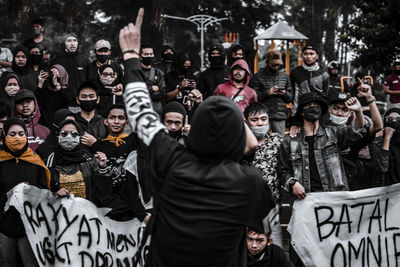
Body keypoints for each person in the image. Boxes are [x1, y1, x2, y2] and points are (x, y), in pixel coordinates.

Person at [119, 9, 274, 266]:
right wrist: (236, 116)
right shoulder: (250, 180)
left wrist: (131, 57)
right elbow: (266, 226)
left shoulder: (172, 158)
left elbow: (140, 114)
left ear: (195, 128)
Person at [0, 118, 50, 267]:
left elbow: (44, 191)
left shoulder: (35, 161)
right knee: (5, 263)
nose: (17, 138)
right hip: (3, 226)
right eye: (12, 134)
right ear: (4, 136)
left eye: (21, 133)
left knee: (31, 264)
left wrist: (30, 187)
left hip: (30, 227)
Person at [91, 104, 147, 221]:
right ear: (106, 121)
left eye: (121, 118)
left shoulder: (133, 142)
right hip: (108, 207)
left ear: (127, 122)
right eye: (112, 118)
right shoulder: (98, 145)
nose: (116, 121)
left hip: (132, 206)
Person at [323, 81, 383, 190]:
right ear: (329, 109)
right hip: (324, 182)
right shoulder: (319, 130)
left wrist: (369, 98)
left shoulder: (355, 133)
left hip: (349, 181)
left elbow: (378, 127)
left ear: (351, 113)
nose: (339, 113)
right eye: (336, 108)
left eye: (345, 109)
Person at [243, 102, 284, 248]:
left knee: (275, 246)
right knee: (248, 247)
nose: (259, 123)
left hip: (271, 206)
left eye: (263, 119)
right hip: (246, 205)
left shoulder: (278, 141)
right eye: (254, 120)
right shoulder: (239, 143)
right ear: (246, 121)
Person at [49, 119, 106, 200]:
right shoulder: (51, 159)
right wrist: (55, 195)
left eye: (74, 134)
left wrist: (103, 168)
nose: (69, 137)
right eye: (64, 134)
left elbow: (102, 190)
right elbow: (44, 191)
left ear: (80, 136)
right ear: (58, 136)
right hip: (60, 210)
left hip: (87, 209)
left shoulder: (88, 158)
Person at [249, 50, 292, 135]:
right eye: (274, 64)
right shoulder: (258, 76)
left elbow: (290, 98)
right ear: (267, 62)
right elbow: (254, 97)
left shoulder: (285, 76)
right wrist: (268, 92)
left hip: (280, 116)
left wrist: (284, 93)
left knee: (280, 143)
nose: (276, 66)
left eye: (278, 64)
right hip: (263, 116)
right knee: (263, 142)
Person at [289, 44, 329, 115]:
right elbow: (291, 91)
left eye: (311, 54)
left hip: (318, 109)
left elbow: (325, 93)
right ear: (302, 55)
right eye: (305, 54)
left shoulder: (323, 73)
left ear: (317, 56)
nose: (308, 56)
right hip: (300, 109)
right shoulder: (295, 72)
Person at [53, 34, 88, 111]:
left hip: (82, 102)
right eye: (69, 41)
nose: (72, 43)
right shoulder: (58, 60)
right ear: (64, 44)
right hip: (63, 103)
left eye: (74, 40)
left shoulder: (84, 60)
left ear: (78, 43)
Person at [165, 52, 203, 118]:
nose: (186, 69)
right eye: (184, 66)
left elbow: (199, 99)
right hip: (175, 114)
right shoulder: (169, 77)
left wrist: (194, 89)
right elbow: (166, 97)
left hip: (190, 113)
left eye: (188, 67)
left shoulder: (193, 77)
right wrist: (180, 88)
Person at [36, 64, 73, 128]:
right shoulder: (46, 90)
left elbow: (67, 98)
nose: (53, 75)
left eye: (56, 73)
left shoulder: (67, 90)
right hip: (46, 124)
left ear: (62, 75)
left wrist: (56, 84)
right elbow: (37, 100)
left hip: (62, 124)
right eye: (51, 73)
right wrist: (40, 83)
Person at [371, 108, 400, 186]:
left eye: (398, 119)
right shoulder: (378, 140)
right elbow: (382, 167)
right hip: (384, 187)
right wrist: (387, 137)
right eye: (390, 119)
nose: (394, 121)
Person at [74, 81, 108, 149]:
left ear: (98, 99)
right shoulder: (72, 122)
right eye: (84, 96)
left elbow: (110, 148)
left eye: (91, 96)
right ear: (77, 100)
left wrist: (96, 144)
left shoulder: (105, 124)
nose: (88, 99)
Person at [140, 44, 166, 115]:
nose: (149, 56)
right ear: (140, 57)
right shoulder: (135, 73)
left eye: (151, 54)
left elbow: (162, 93)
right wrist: (151, 88)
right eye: (146, 54)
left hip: (156, 109)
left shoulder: (159, 73)